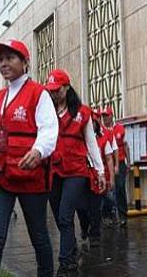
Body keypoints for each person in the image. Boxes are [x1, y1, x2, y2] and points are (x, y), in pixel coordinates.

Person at [0, 39, 58, 277]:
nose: (3, 64)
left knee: (38, 235)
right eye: (1, 60)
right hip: (0, 174)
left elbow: (49, 129)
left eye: (10, 58)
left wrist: (38, 150)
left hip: (29, 174)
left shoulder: (38, 93)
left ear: (25, 62)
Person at [45, 69, 105, 276]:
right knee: (60, 217)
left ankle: (66, 263)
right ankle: (70, 249)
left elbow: (91, 143)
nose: (54, 94)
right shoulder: (46, 111)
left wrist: (100, 171)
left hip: (76, 170)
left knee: (65, 215)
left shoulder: (82, 112)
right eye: (51, 90)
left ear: (67, 87)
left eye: (57, 90)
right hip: (53, 170)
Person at [78, 110, 114, 249]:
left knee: (94, 207)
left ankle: (95, 235)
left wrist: (105, 175)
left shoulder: (102, 139)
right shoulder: (78, 139)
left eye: (93, 123)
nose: (91, 125)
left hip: (95, 176)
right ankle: (84, 227)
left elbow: (109, 157)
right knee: (80, 207)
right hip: (80, 175)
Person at [101, 106, 129, 226]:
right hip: (106, 164)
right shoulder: (101, 131)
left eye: (107, 116)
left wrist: (129, 162)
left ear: (111, 116)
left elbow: (126, 146)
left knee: (120, 187)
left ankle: (123, 215)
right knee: (107, 191)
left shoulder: (120, 129)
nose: (105, 118)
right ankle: (107, 215)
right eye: (103, 116)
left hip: (120, 163)